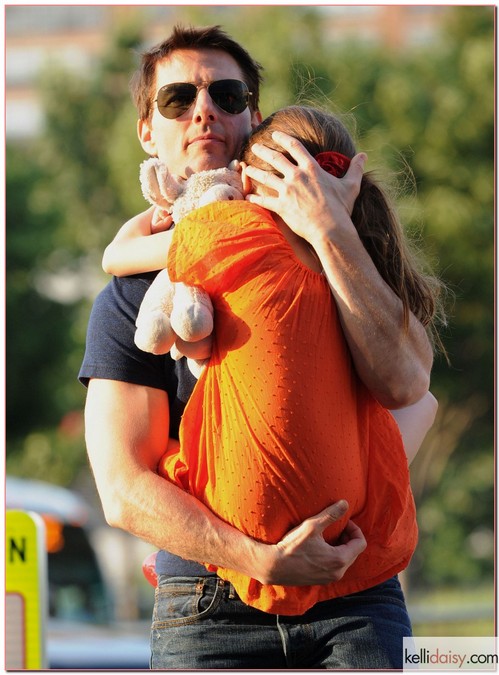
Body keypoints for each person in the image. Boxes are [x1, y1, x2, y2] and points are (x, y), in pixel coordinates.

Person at [80, 24, 437, 669]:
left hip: (353, 592)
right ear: (146, 131)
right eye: (177, 100)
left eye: (226, 93)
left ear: (255, 116)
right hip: (207, 604)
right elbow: (122, 487)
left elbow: (411, 390)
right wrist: (260, 555)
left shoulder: (348, 253)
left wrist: (328, 229)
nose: (204, 110)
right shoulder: (132, 298)